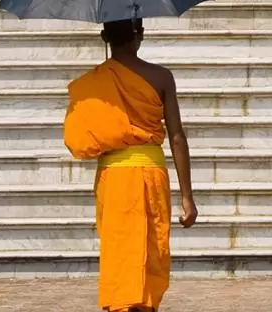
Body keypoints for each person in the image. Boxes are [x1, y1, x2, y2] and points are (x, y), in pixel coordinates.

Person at [63, 18, 197, 312]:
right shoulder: (161, 77)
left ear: (104, 37)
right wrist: (187, 197)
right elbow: (176, 137)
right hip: (151, 174)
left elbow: (76, 140)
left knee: (120, 249)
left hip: (113, 179)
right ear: (141, 36)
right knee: (150, 250)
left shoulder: (92, 85)